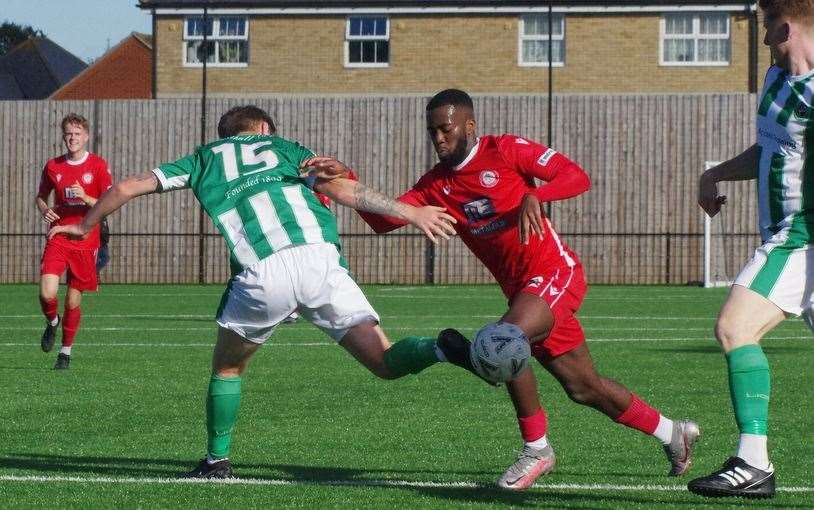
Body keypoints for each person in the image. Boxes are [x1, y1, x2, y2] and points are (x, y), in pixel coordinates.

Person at [306, 89, 699, 490]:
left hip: (554, 272)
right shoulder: (436, 185)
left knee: (503, 341)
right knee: (584, 387)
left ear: (470, 126)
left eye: (446, 128)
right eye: (432, 132)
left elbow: (575, 176)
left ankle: (537, 449)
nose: (439, 138)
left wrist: (536, 194)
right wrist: (345, 178)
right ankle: (673, 433)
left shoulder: (506, 150)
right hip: (523, 295)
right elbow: (384, 221)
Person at [49, 105, 469, 479]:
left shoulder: (202, 158)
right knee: (384, 362)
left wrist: (85, 226)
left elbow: (123, 188)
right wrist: (410, 211)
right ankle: (440, 349)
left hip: (264, 271)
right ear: (264, 128)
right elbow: (339, 188)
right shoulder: (284, 147)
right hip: (320, 260)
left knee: (228, 369)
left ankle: (216, 461)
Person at [689, 0, 814, 499]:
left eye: (765, 28)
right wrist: (716, 173)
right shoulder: (775, 79)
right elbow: (770, 149)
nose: (763, 39)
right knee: (735, 329)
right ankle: (753, 462)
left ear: (785, 26)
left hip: (800, 239)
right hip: (789, 240)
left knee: (734, 327)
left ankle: (753, 462)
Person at [36, 113, 112, 370]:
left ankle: (65, 353)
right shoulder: (53, 166)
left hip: (86, 239)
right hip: (58, 235)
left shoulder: (98, 166)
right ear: (63, 136)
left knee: (72, 300)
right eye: (68, 133)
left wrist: (87, 197)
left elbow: (108, 204)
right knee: (47, 293)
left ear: (86, 136)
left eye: (77, 133)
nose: (72, 138)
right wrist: (44, 208)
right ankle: (52, 322)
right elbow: (40, 196)